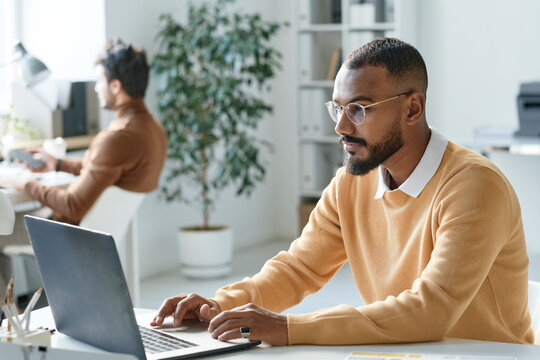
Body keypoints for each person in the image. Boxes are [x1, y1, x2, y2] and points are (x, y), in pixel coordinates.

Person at [150, 38, 534, 346]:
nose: (341, 127)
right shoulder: (352, 181)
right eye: (337, 109)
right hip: (406, 352)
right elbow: (299, 269)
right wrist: (220, 304)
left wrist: (287, 328)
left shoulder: (473, 186)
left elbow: (430, 310)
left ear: (413, 108)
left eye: (359, 110)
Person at [0, 38, 167, 295]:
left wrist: (23, 183)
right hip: (99, 233)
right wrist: (57, 163)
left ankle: (6, 324)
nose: (97, 89)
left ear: (115, 86)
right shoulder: (152, 130)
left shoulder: (117, 137)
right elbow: (105, 168)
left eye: (100, 81)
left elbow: (72, 205)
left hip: (69, 233)